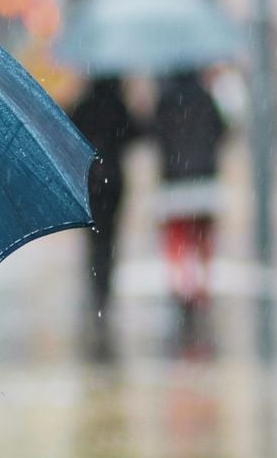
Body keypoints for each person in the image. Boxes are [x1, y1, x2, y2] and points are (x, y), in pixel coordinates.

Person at [68, 76, 141, 357]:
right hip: (114, 182)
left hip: (90, 183)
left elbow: (68, 129)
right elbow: (136, 134)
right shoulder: (119, 106)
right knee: (110, 238)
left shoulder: (84, 106)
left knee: (93, 238)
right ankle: (105, 288)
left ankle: (96, 287)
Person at [153, 70, 227, 344]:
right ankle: (202, 288)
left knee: (177, 236)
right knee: (202, 237)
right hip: (204, 178)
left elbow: (155, 134)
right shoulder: (207, 98)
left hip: (174, 180)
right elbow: (221, 130)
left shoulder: (165, 100)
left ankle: (180, 287)